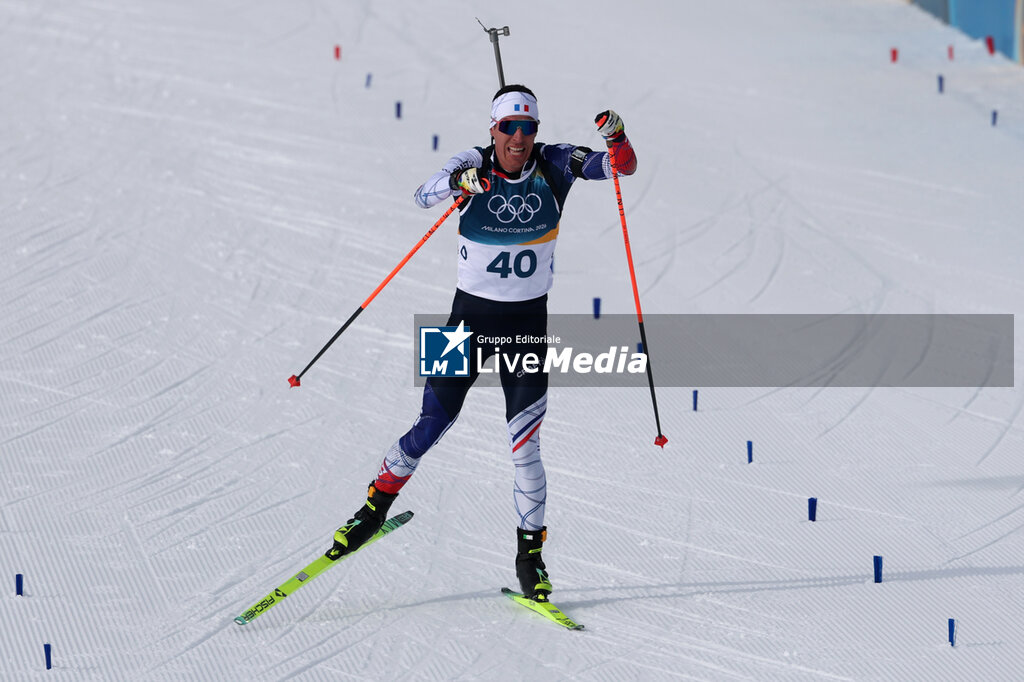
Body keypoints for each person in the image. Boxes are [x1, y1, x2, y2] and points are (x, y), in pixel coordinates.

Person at [326, 84, 637, 602]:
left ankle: (530, 558)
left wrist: (617, 138)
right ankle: (372, 509)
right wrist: (459, 182)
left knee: (526, 446)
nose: (519, 137)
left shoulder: (555, 162)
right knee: (429, 424)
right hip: (463, 321)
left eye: (527, 127)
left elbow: (620, 168)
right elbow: (422, 194)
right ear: (493, 129)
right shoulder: (472, 161)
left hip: (527, 328)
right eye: (509, 127)